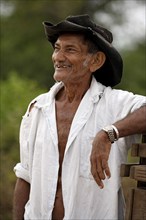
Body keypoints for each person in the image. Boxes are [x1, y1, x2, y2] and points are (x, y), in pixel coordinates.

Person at [13, 14, 146, 220]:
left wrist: (108, 133)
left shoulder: (113, 104)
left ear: (95, 61)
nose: (58, 57)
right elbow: (25, 176)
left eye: (70, 50)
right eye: (57, 48)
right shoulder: (37, 108)